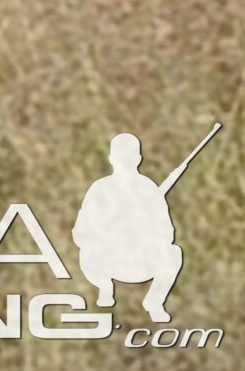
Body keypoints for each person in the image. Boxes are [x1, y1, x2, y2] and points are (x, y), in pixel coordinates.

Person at [75, 133, 183, 324]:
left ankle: (154, 301)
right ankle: (104, 287)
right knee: (87, 251)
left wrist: (142, 230)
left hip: (140, 263)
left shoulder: (148, 189)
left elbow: (167, 233)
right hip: (106, 262)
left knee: (174, 253)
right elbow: (81, 233)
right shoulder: (100, 188)